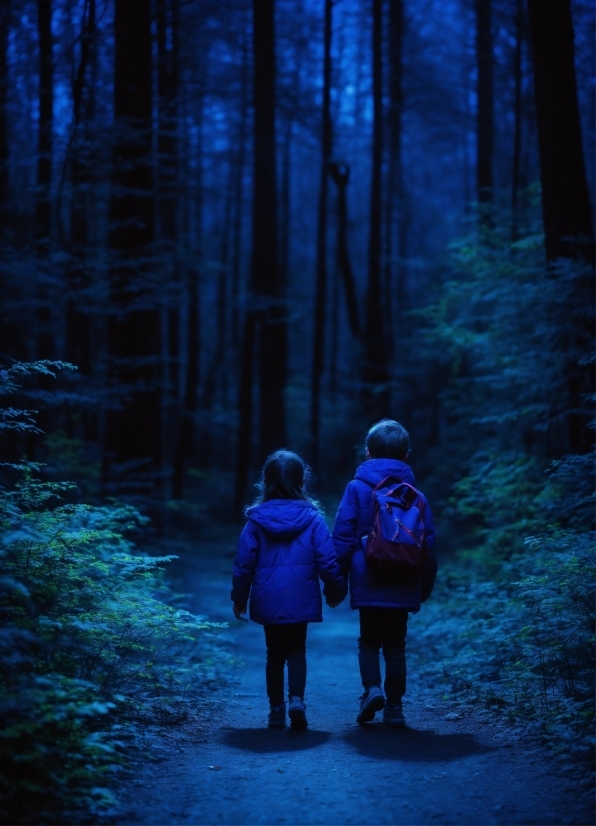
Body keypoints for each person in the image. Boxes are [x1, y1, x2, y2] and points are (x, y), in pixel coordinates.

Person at [332, 419, 437, 727]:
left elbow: (342, 535)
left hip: (369, 578)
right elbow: (428, 546)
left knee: (368, 641)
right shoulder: (415, 495)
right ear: (406, 455)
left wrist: (337, 580)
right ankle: (394, 706)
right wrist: (424, 586)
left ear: (368, 453)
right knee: (395, 644)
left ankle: (372, 689)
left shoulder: (356, 489)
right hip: (404, 579)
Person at [231, 449, 345, 730]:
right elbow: (328, 561)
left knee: (274, 653)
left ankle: (276, 709)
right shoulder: (313, 519)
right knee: (296, 650)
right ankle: (296, 699)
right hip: (300, 599)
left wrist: (239, 597)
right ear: (302, 482)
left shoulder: (255, 521)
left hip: (268, 599)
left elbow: (243, 564)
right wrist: (336, 590)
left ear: (266, 483)